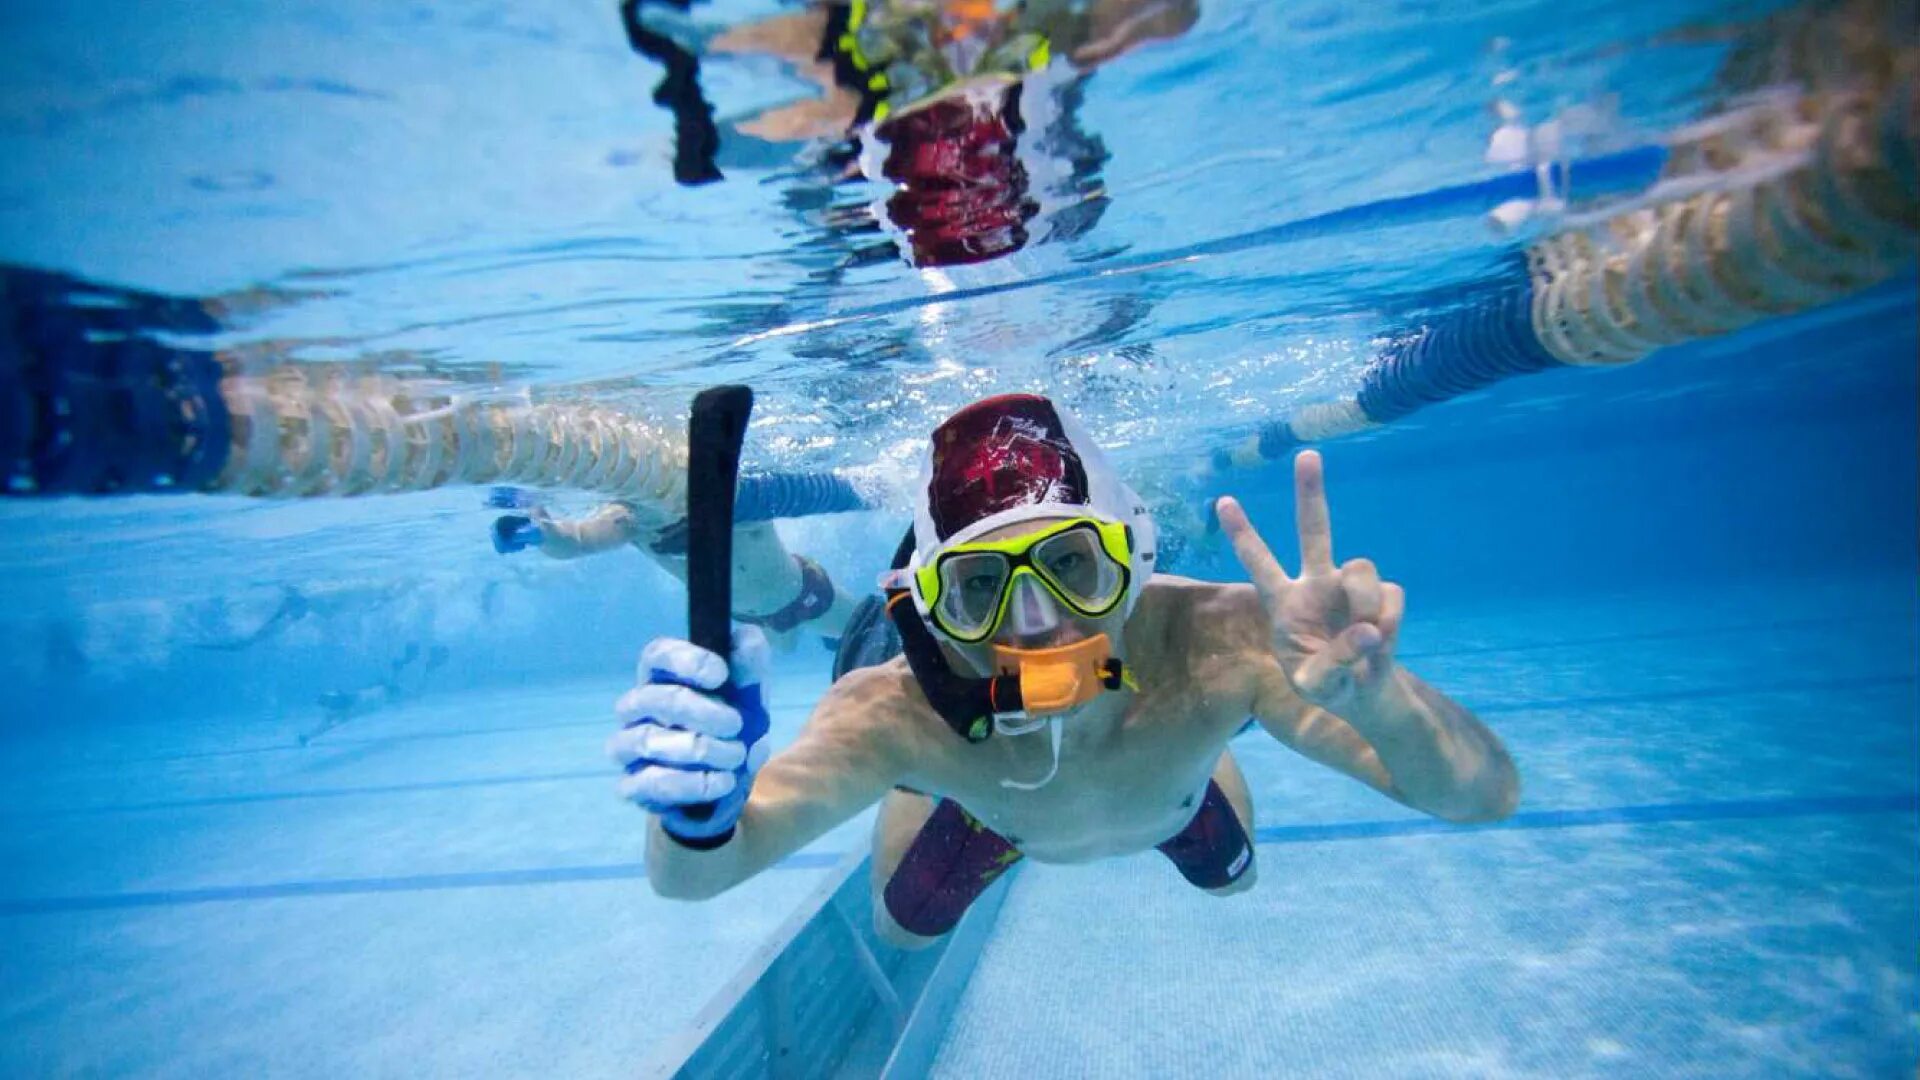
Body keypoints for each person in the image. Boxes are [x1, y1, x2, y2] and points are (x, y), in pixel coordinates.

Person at [608, 393, 1519, 948]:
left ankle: (1191, 769)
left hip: (1172, 794)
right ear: (930, 607)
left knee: (1237, 882)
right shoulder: (891, 711)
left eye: (1072, 564)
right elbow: (694, 880)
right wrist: (697, 817)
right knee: (900, 934)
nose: (1036, 627)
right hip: (989, 811)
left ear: (1135, 559)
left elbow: (1485, 796)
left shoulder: (1225, 641)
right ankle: (941, 782)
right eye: (981, 588)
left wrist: (1383, 698)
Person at [489, 490, 860, 649]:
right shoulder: (631, 519)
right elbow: (578, 540)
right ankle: (821, 638)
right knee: (785, 647)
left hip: (808, 595)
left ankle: (832, 639)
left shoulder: (738, 494)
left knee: (873, 634)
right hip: (750, 613)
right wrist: (536, 529)